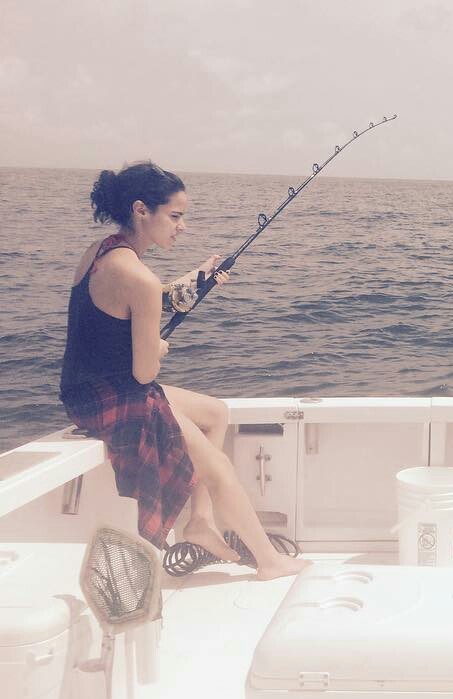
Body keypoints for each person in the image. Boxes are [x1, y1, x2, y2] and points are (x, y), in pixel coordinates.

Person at [60, 160, 310, 580]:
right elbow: (144, 374)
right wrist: (157, 347)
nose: (183, 227)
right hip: (116, 399)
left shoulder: (100, 252)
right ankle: (269, 561)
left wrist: (197, 278)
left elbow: (124, 310)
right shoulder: (138, 277)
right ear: (141, 210)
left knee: (216, 413)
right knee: (218, 467)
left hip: (83, 392)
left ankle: (201, 523)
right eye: (175, 216)